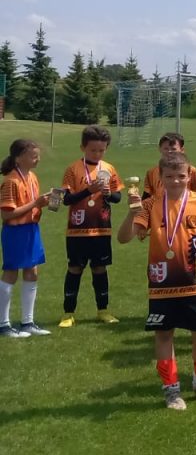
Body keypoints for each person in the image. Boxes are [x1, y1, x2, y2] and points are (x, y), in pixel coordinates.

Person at [117, 152, 196, 410]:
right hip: (161, 281)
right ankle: (171, 390)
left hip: (194, 280)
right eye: (169, 176)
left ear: (190, 176)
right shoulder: (150, 205)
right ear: (160, 178)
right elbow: (123, 238)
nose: (176, 181)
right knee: (164, 334)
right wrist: (131, 213)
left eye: (181, 176)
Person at [58, 125, 123, 327]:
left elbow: (118, 197)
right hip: (77, 229)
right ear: (83, 148)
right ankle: (68, 313)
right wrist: (89, 190)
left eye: (101, 150)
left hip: (101, 229)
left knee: (100, 268)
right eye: (93, 150)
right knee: (75, 268)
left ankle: (103, 310)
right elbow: (66, 199)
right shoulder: (73, 169)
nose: (97, 153)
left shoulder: (109, 169)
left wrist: (107, 193)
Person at [0, 139, 52, 338]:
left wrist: (45, 203)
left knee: (32, 272)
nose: (37, 159)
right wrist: (35, 203)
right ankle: (3, 324)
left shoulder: (32, 177)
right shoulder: (11, 181)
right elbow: (7, 214)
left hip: (31, 229)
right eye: (33, 156)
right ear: (18, 158)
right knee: (11, 273)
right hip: (15, 232)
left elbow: (32, 205)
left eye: (38, 156)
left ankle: (27, 322)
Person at [142, 132, 196, 198]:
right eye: (166, 149)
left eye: (173, 149)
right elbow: (146, 196)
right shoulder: (152, 172)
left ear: (182, 150)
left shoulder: (191, 170)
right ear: (160, 149)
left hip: (185, 204)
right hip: (161, 204)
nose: (169, 151)